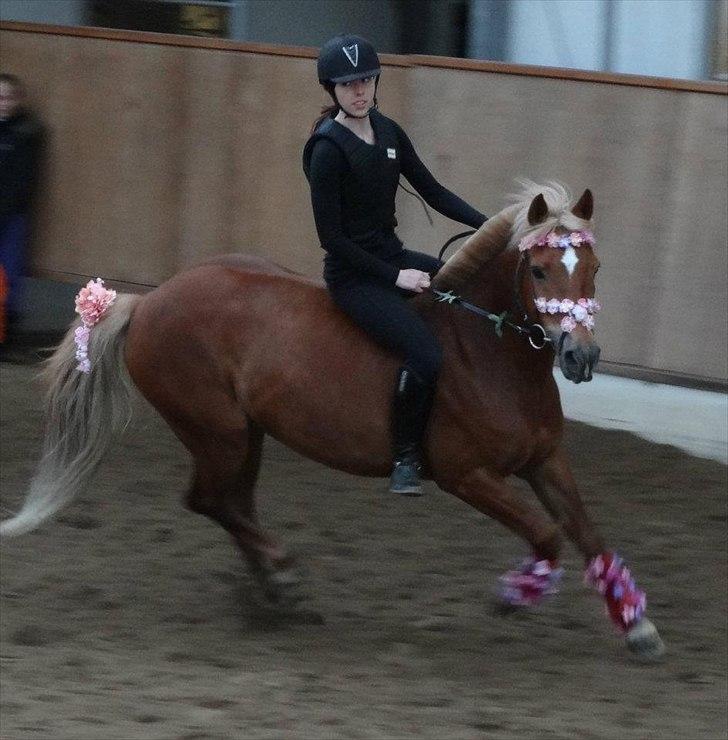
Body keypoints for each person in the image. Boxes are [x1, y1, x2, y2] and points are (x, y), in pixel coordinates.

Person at [303, 35, 488, 496]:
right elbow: (333, 240)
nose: (359, 91)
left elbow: (434, 191)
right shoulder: (327, 151)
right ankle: (406, 455)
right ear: (332, 90)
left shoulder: (388, 132)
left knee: (464, 294)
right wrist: (395, 276)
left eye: (365, 80)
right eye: (348, 85)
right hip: (354, 277)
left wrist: (492, 228)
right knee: (424, 352)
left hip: (391, 255)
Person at [0, 73, 45, 347]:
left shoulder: (25, 132)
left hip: (11, 215)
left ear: (17, 100)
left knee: (9, 271)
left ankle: (6, 331)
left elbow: (20, 182)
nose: (3, 103)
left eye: (7, 97)